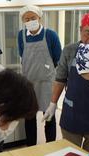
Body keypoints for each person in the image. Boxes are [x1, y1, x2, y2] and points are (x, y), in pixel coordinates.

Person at [42, 12, 89, 153]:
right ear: (80, 30)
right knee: (70, 155)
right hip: (72, 113)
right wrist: (53, 103)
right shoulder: (69, 50)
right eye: (87, 32)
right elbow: (60, 79)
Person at [18, 5, 62, 146]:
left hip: (47, 83)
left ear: (40, 18)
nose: (30, 21)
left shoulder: (50, 35)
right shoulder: (21, 35)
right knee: (29, 118)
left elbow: (58, 59)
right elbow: (22, 55)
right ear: (23, 20)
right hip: (29, 84)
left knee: (49, 116)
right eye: (26, 19)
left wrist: (46, 69)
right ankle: (30, 147)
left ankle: (50, 146)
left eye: (33, 18)